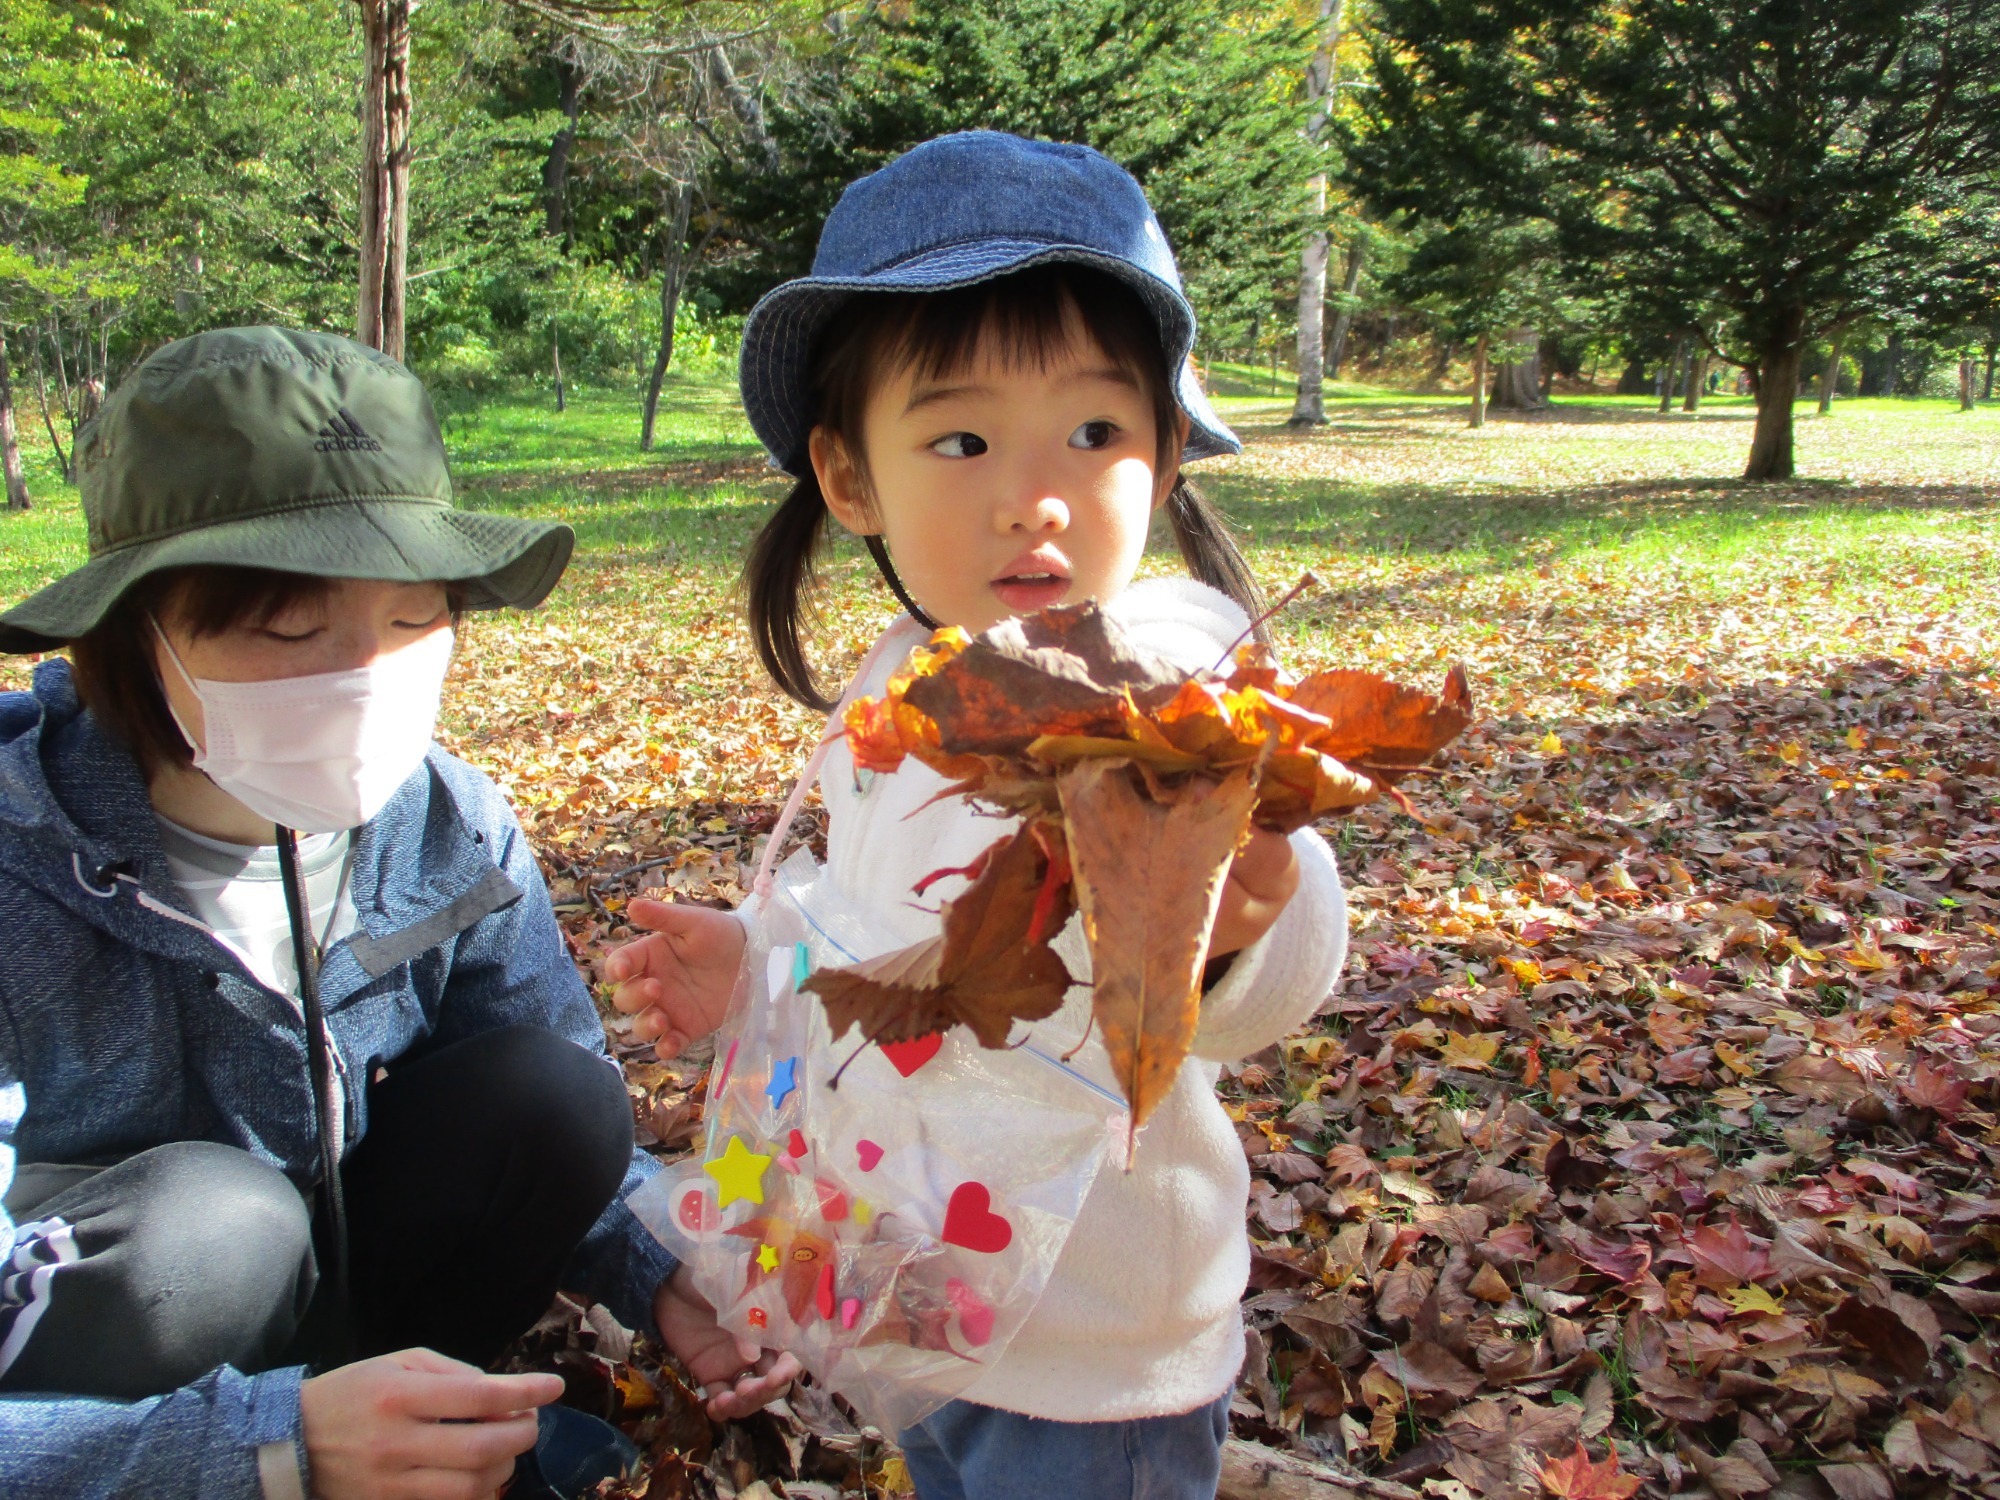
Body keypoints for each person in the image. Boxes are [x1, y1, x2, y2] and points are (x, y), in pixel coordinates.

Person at [606, 132, 1349, 1500]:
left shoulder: (1170, 687)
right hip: (921, 1288)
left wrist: (1242, 919)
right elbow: (880, 917)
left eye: (1095, 431)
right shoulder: (904, 681)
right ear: (849, 479)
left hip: (1090, 1341)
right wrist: (762, 960)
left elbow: (1261, 988)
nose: (1035, 494)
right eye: (960, 437)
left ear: (1168, 454)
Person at [0, 327, 793, 1500]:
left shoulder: (446, 824)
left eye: (416, 616)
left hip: (339, 1291)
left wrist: (657, 1270)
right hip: (97, 1366)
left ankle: (414, 1438)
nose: (362, 674)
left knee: (552, 1097)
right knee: (215, 1237)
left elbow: (549, 1093)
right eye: (283, 629)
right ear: (134, 629)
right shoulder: (22, 866)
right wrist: (260, 1450)